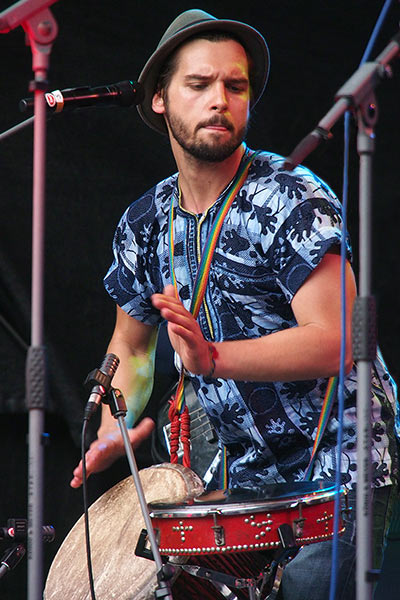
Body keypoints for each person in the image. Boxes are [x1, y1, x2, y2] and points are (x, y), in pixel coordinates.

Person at [70, 9, 398, 599]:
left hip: (339, 471)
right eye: (198, 85)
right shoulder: (145, 223)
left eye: (235, 85)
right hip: (243, 477)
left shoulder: (288, 196)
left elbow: (342, 339)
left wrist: (213, 357)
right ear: (160, 100)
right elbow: (133, 348)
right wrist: (112, 420)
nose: (219, 99)